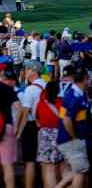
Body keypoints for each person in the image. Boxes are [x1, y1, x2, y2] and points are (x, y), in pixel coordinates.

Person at [55, 68, 91, 188]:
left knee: (77, 171)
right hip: (71, 141)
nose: (90, 81)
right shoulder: (75, 96)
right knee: (80, 172)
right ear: (84, 80)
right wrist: (74, 137)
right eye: (88, 78)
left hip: (71, 140)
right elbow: (66, 119)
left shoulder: (78, 93)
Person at [18, 60, 46, 188]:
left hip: (31, 127)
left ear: (34, 71)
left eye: (27, 69)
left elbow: (25, 114)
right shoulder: (46, 85)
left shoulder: (30, 89)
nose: (25, 71)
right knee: (45, 163)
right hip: (45, 127)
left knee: (29, 161)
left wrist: (19, 132)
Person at [36, 81, 63, 188]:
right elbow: (63, 119)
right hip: (58, 134)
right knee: (57, 166)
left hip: (44, 135)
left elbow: (37, 120)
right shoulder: (61, 103)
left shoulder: (40, 103)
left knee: (48, 168)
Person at [0, 67, 20, 188]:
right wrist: (17, 126)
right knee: (7, 164)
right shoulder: (7, 89)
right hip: (6, 126)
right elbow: (20, 109)